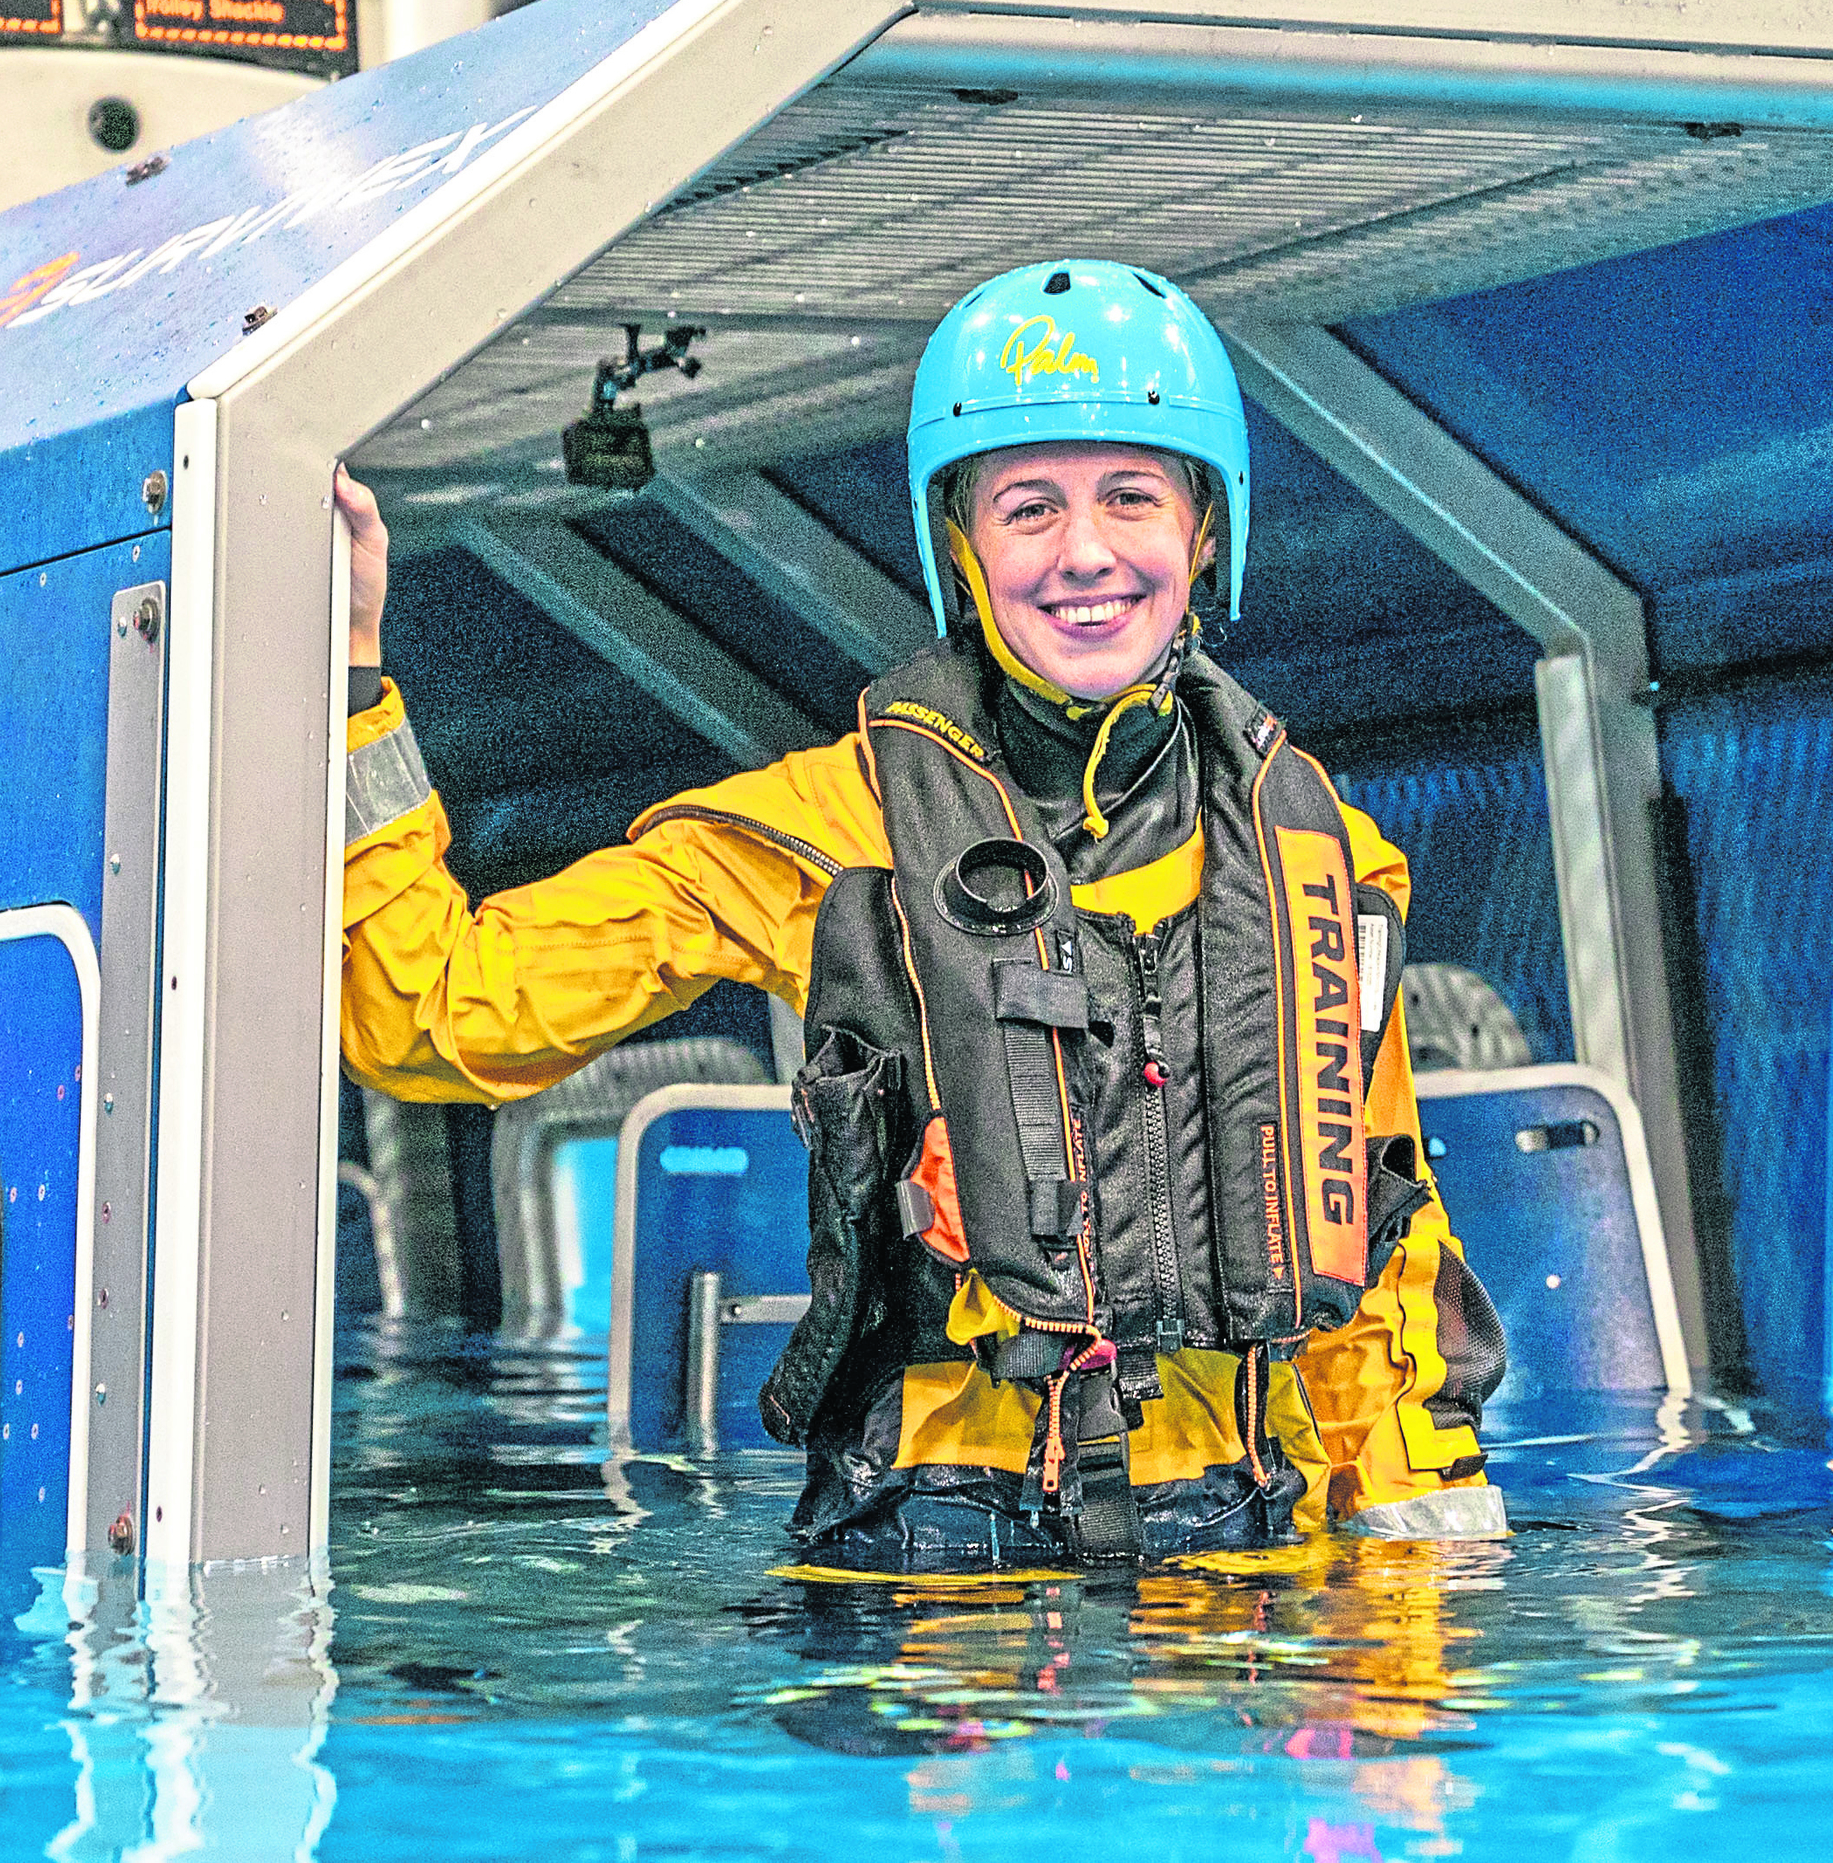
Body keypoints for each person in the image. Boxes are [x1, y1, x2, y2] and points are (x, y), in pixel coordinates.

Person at [334, 259, 1506, 1569]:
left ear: (1208, 531)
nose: (1085, 554)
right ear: (958, 543)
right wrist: (351, 681)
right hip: (940, 1584)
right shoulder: (824, 829)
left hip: (1244, 1562)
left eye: (1132, 496)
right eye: (1028, 508)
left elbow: (1382, 1216)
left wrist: (1421, 1586)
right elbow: (431, 1018)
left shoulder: (1320, 847)